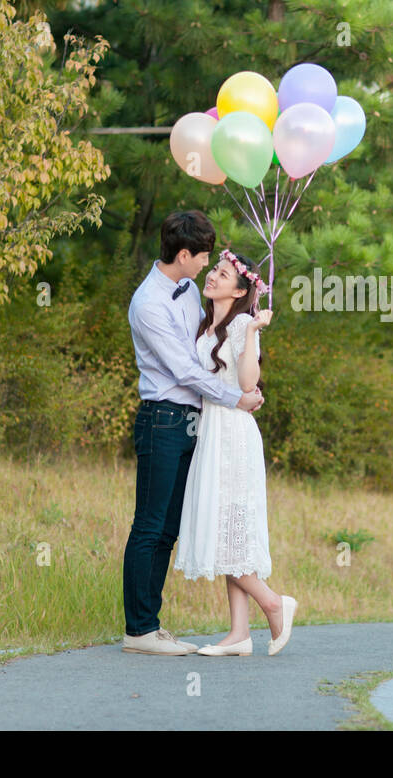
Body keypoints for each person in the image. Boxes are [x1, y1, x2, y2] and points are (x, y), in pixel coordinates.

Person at [122, 211, 264, 656]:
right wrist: (233, 398)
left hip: (192, 424)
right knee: (148, 525)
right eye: (203, 257)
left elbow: (216, 345)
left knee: (167, 529)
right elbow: (182, 369)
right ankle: (139, 630)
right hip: (162, 419)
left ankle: (151, 626)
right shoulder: (149, 304)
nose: (206, 264)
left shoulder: (187, 292)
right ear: (183, 255)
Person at [174, 248, 297, 657]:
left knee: (232, 528)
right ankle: (239, 634)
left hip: (235, 435)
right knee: (227, 528)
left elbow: (247, 384)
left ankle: (274, 603)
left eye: (222, 273)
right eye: (214, 270)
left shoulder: (243, 323)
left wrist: (253, 333)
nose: (212, 276)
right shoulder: (207, 325)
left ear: (241, 289)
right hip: (211, 430)